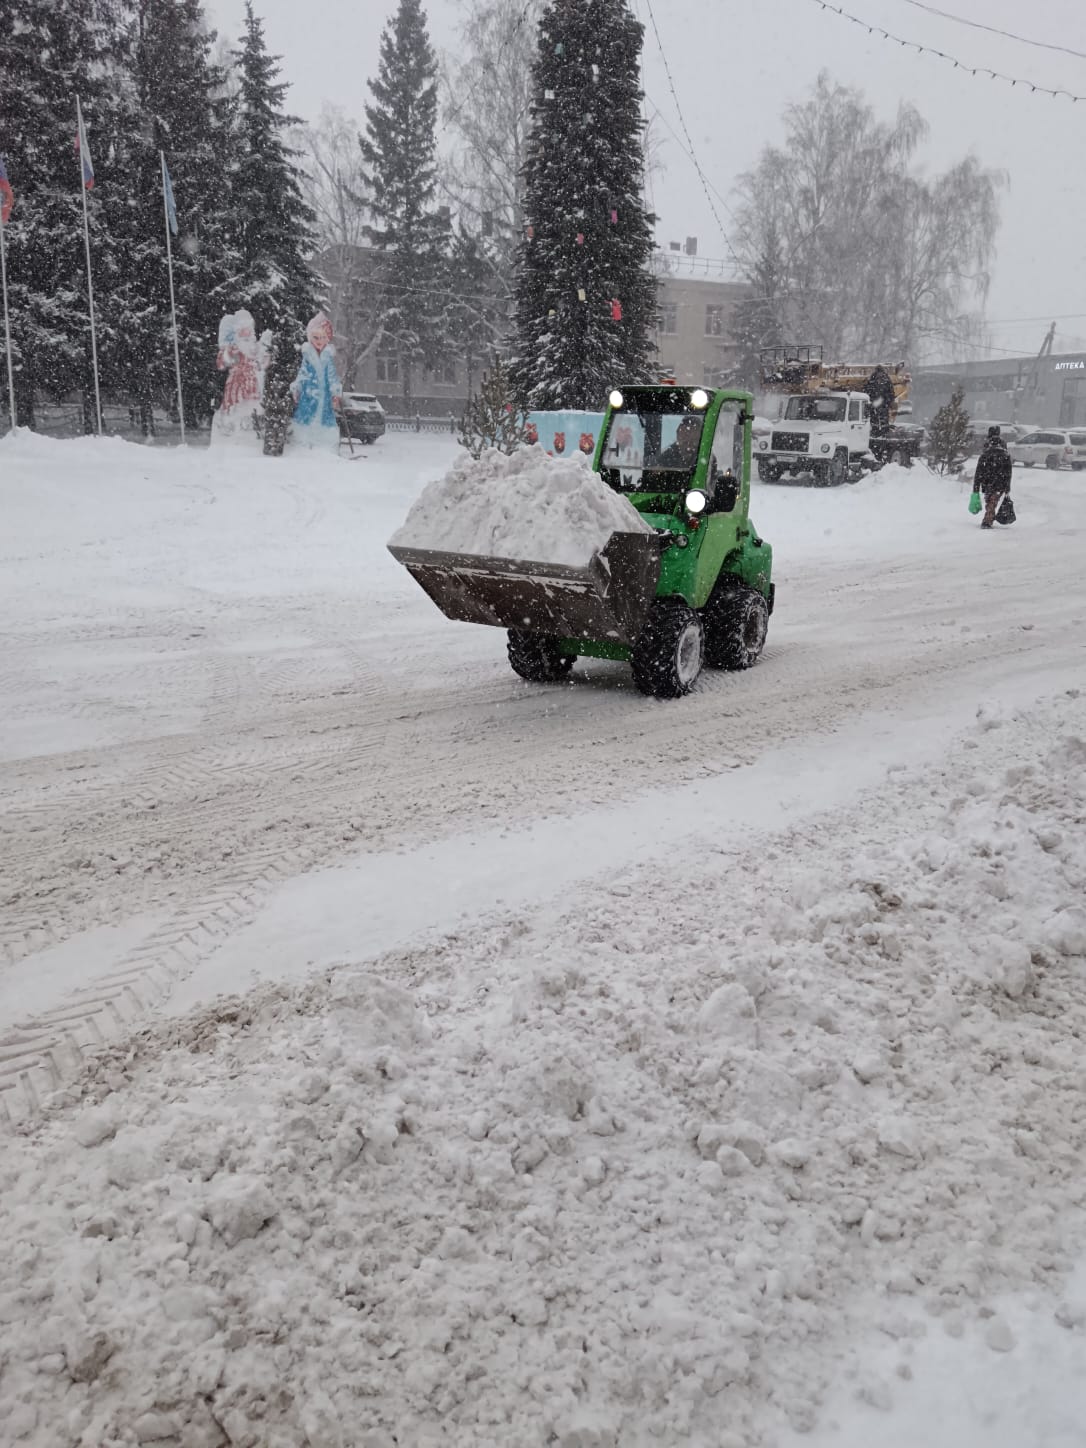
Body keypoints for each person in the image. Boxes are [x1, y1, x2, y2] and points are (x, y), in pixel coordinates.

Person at [290, 312, 343, 450]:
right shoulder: (307, 356)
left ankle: (324, 446)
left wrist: (335, 393)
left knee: (324, 418)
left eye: (323, 337)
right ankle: (304, 443)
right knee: (306, 417)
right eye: (316, 337)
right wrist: (298, 388)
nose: (319, 340)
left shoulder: (328, 358)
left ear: (327, 339)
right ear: (310, 338)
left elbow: (332, 377)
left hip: (324, 396)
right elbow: (302, 374)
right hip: (308, 394)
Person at [974, 425, 1012, 528]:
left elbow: (979, 470)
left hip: (987, 480)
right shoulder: (1004, 451)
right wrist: (1007, 485)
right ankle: (989, 516)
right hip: (1000, 480)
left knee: (990, 500)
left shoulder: (986, 449)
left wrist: (976, 487)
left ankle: (987, 520)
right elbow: (1008, 470)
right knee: (993, 501)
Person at [863, 365, 897, 439]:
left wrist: (870, 398)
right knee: (883, 418)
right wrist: (889, 401)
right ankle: (883, 432)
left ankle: (875, 432)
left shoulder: (873, 377)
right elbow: (891, 391)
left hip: (875, 401)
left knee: (874, 417)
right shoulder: (886, 378)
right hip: (883, 401)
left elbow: (867, 388)